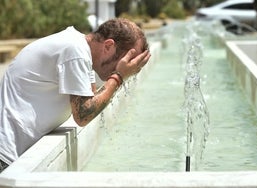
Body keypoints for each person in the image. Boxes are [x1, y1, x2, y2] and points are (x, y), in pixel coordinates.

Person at [0, 18, 151, 172]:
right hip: (5, 157)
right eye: (126, 60)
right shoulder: (75, 51)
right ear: (108, 45)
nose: (126, 66)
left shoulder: (80, 49)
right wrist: (118, 76)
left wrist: (118, 75)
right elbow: (83, 114)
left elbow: (93, 99)